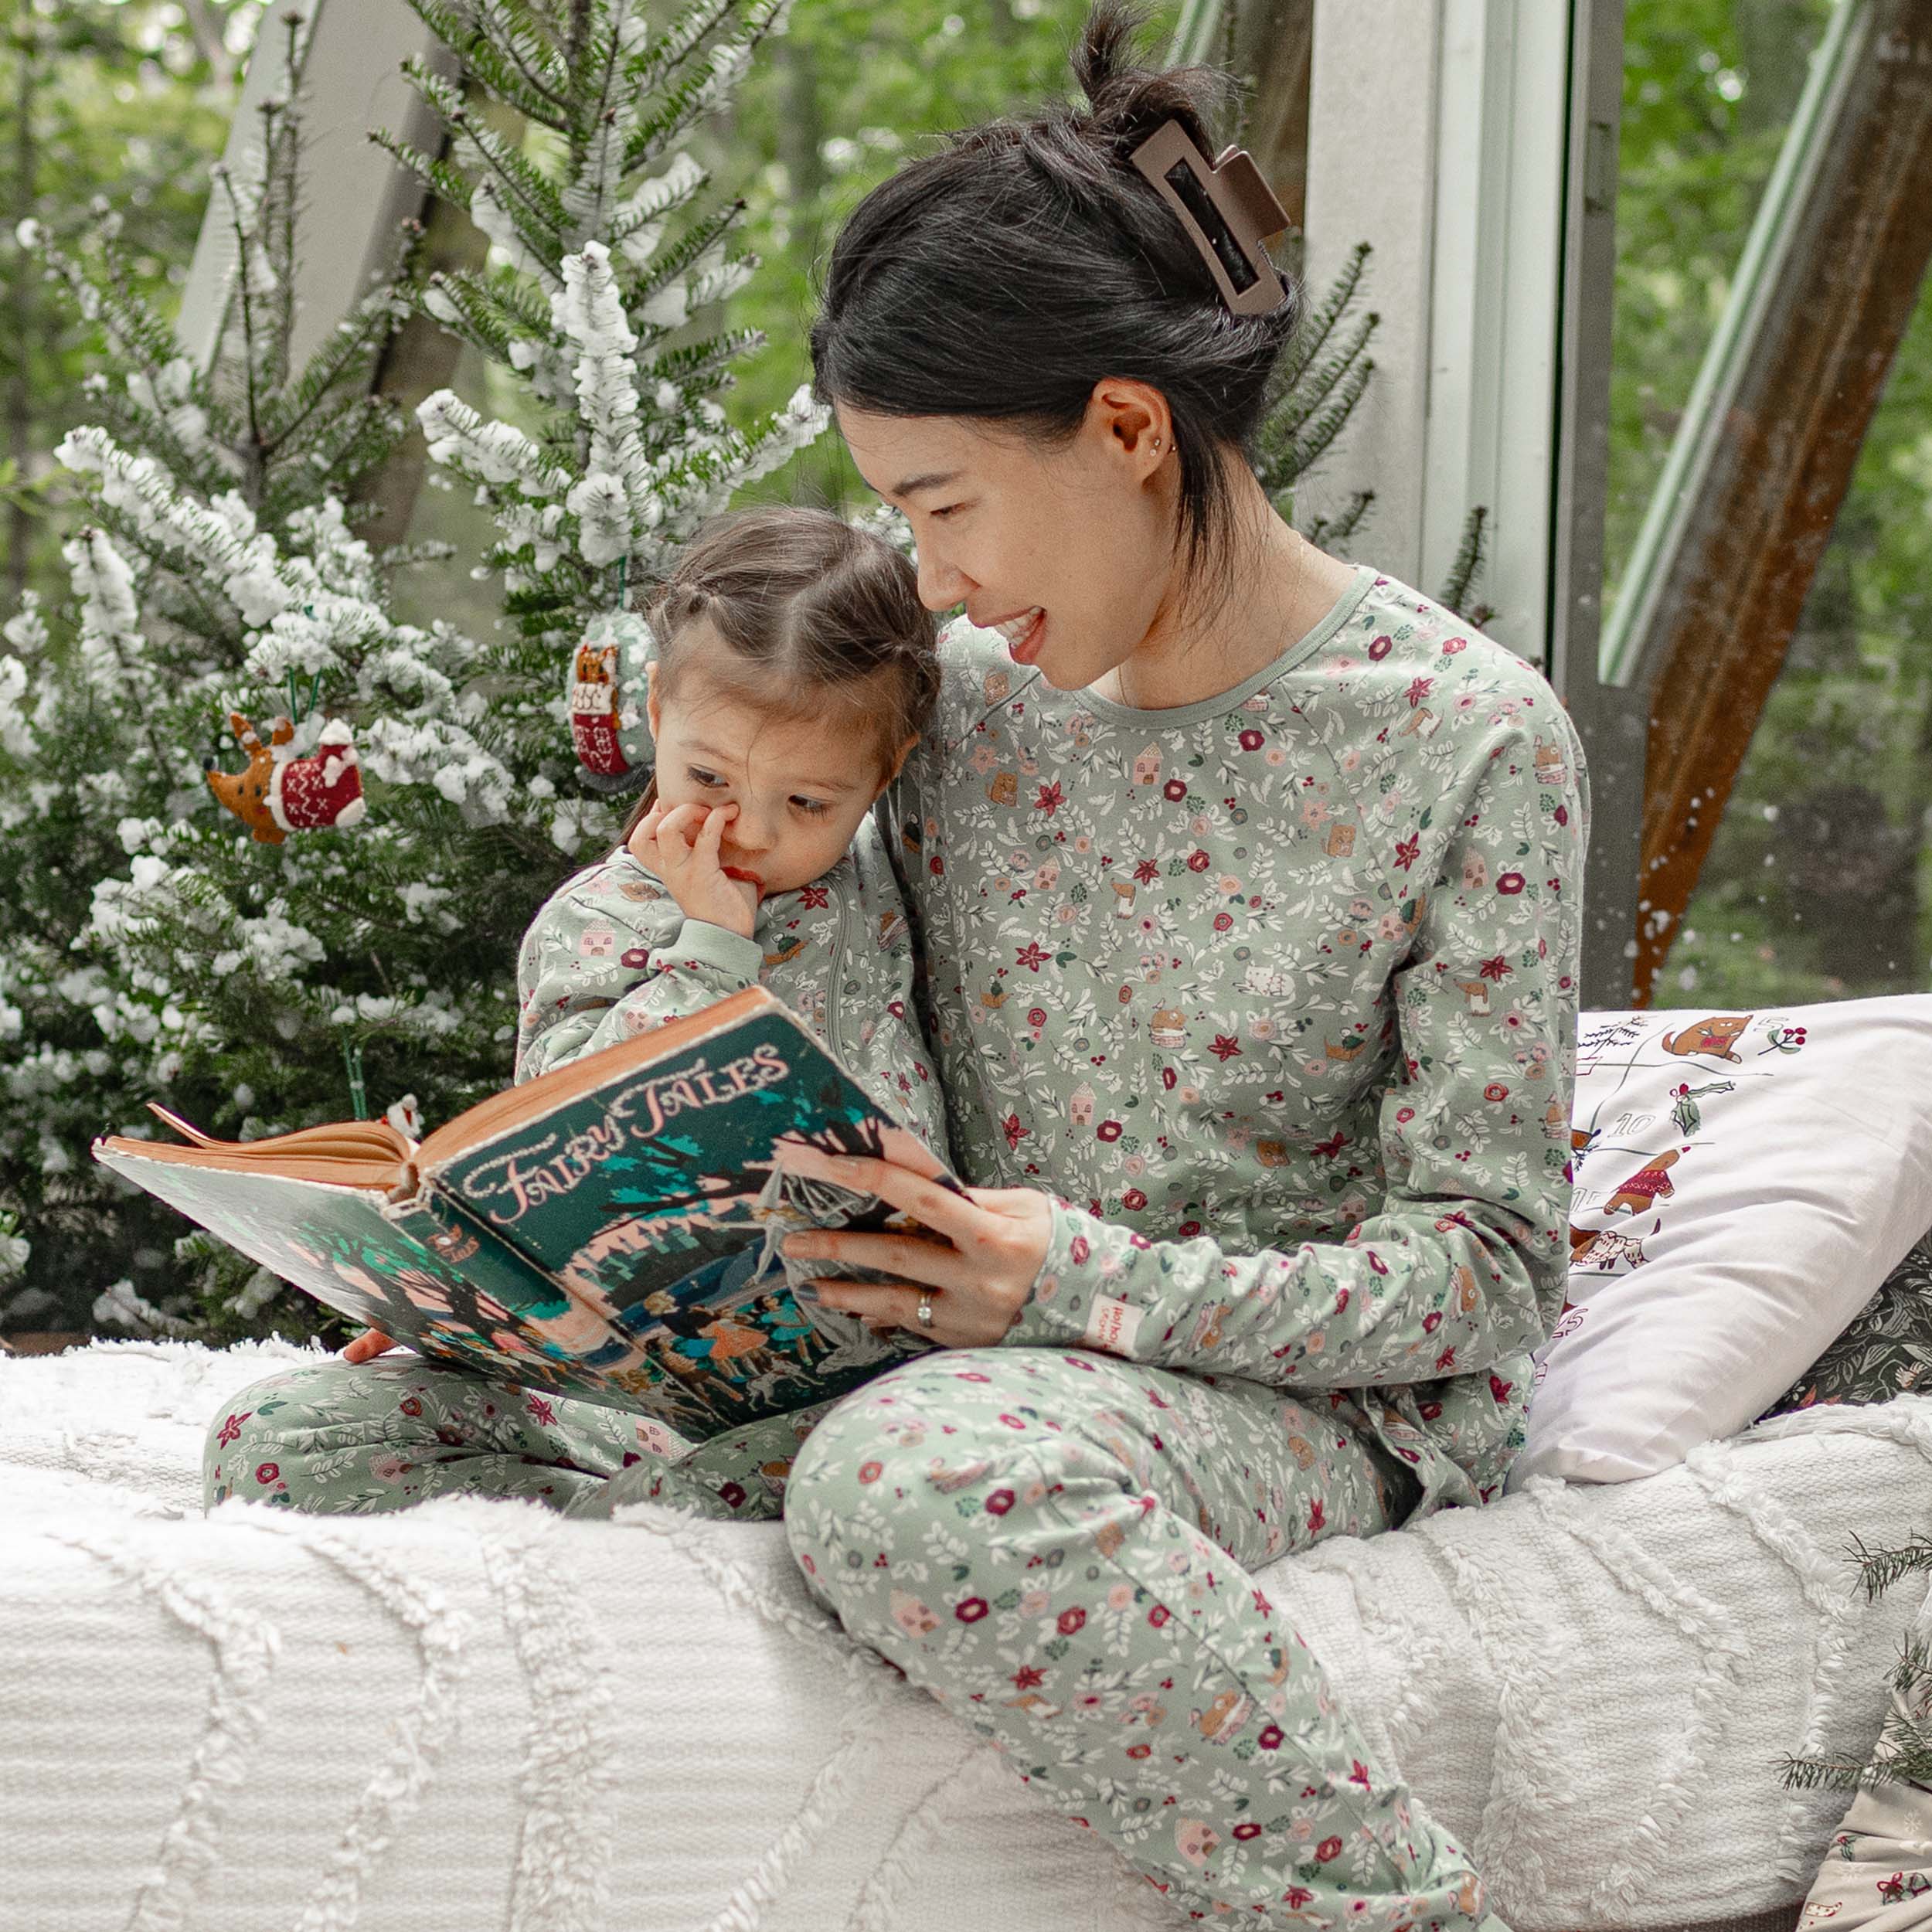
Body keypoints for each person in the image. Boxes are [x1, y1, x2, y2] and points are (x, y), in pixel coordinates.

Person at [688, 9, 1589, 1929]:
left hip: (1283, 1390)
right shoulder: (962, 707)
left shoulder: (1461, 741)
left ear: (1122, 425)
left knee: (914, 1483)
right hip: (947, 1334)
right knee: (314, 1441)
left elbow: (1488, 1273)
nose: (923, 579)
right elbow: (844, 1068)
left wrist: (1064, 1275)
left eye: (940, 507)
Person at [202, 506, 952, 1516]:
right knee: (270, 1443)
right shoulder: (588, 925)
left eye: (808, 804)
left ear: (886, 774)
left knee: (829, 1481)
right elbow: (547, 1163)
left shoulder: (884, 886)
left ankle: (637, 1527)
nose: (750, 831)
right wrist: (710, 954)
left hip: (861, 1388)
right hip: (621, 1389)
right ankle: (635, 1512)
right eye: (708, 777)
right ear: (653, 711)